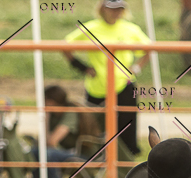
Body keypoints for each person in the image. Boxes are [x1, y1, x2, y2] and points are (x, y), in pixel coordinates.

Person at [64, 0, 150, 156]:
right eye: (112, 9)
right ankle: (95, 157)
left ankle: (127, 159)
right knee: (94, 126)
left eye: (119, 9)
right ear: (102, 9)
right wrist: (82, 67)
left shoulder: (131, 29)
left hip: (124, 84)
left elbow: (149, 48)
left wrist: (137, 68)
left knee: (127, 126)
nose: (116, 13)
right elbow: (65, 46)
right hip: (98, 86)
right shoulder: (91, 28)